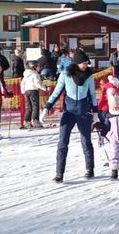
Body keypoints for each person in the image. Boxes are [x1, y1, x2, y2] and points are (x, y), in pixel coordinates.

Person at [41, 49, 97, 183]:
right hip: (69, 113)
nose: (86, 65)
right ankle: (59, 173)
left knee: (86, 142)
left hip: (83, 113)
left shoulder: (89, 76)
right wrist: (46, 108)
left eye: (87, 63)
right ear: (77, 63)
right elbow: (56, 92)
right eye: (84, 63)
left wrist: (95, 112)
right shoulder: (65, 74)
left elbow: (93, 95)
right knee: (62, 143)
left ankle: (90, 169)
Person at [20, 62, 45, 129]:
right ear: (33, 67)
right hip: (33, 91)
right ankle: (35, 121)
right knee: (35, 106)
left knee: (28, 107)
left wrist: (23, 91)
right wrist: (44, 88)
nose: (39, 68)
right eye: (37, 66)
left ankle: (26, 122)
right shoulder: (35, 74)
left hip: (27, 91)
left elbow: (22, 83)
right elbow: (37, 83)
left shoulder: (26, 75)